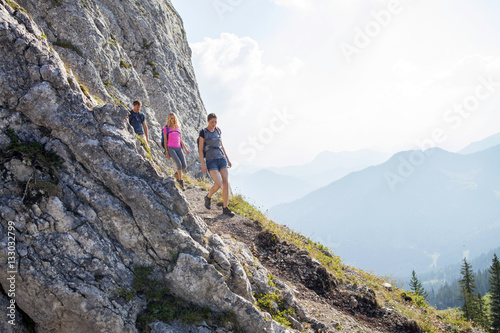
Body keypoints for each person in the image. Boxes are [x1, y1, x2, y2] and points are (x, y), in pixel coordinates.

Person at [198, 113, 234, 217]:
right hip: (211, 160)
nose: (214, 124)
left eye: (215, 122)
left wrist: (227, 159)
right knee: (218, 184)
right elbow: (200, 149)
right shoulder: (203, 132)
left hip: (221, 158)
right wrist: (202, 164)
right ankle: (208, 197)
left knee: (226, 183)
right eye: (212, 122)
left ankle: (225, 208)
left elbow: (221, 146)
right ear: (208, 121)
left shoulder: (218, 130)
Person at [164, 113, 190, 190]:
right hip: (170, 148)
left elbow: (180, 139)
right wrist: (166, 152)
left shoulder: (178, 127)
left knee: (184, 165)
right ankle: (181, 182)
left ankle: (177, 174)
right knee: (178, 164)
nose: (173, 120)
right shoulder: (166, 128)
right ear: (169, 119)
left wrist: (185, 149)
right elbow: (165, 141)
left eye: (174, 118)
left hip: (179, 148)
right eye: (171, 118)